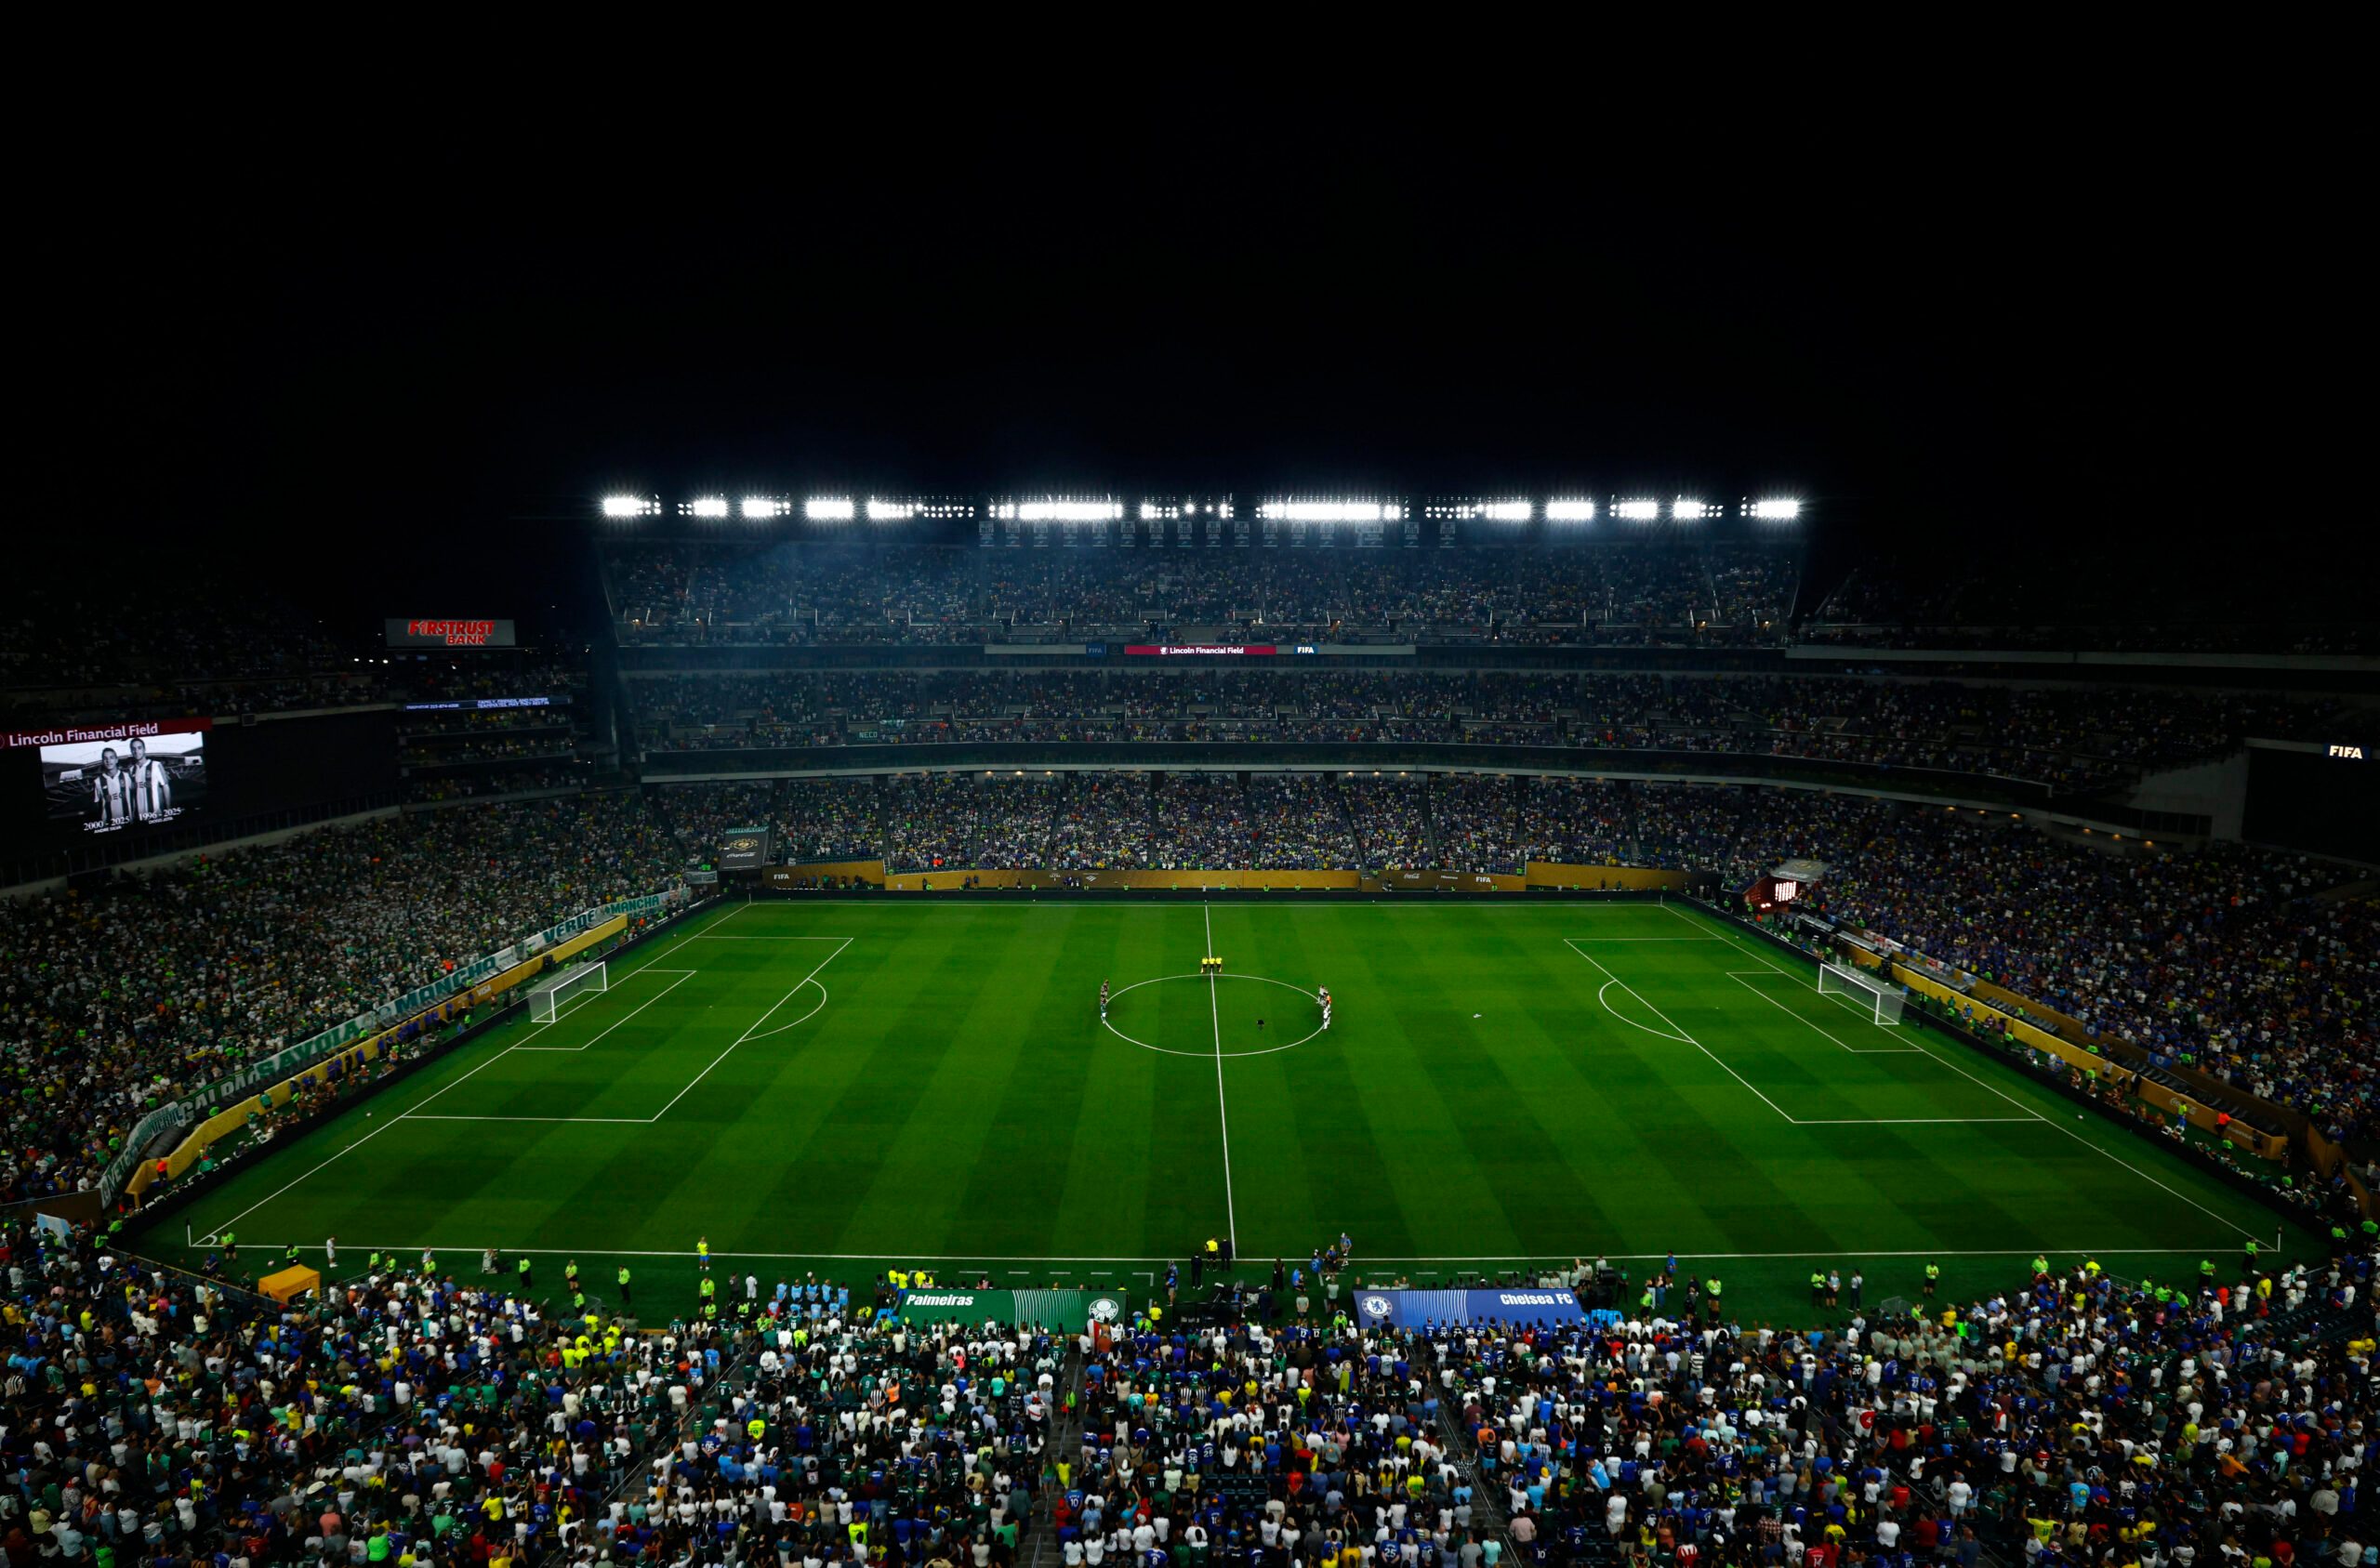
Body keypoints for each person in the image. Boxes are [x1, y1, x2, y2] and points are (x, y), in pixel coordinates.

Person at [126, 736, 173, 821]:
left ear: (144, 749)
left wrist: (169, 810)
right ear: (131, 751)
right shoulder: (131, 770)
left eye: (139, 748)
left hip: (156, 815)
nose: (136, 751)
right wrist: (132, 812)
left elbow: (166, 787)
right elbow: (133, 793)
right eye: (133, 749)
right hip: (140, 817)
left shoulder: (156, 765)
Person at [89, 746, 133, 828]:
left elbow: (135, 797)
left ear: (116, 760)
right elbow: (96, 805)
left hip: (128, 824)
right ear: (103, 761)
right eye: (105, 758)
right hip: (109, 826)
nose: (108, 761)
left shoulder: (126, 777)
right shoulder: (98, 781)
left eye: (111, 758)